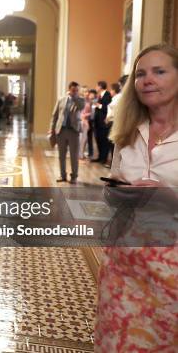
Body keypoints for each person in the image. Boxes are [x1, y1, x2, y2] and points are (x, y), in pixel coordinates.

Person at [95, 44, 178, 352]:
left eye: (159, 71)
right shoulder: (129, 132)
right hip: (124, 262)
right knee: (119, 342)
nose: (147, 80)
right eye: (140, 74)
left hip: (172, 268)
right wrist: (115, 192)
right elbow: (113, 184)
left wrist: (168, 199)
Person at [49, 81, 85, 183]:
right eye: (73, 90)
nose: (75, 92)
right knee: (61, 155)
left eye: (77, 90)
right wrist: (52, 129)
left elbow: (81, 107)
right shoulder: (61, 99)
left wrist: (75, 97)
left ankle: (74, 177)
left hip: (74, 131)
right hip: (61, 130)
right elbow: (55, 115)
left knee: (74, 156)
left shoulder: (80, 100)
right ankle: (62, 175)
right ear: (69, 89)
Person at [92, 80, 112, 163]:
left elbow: (108, 108)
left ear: (100, 86)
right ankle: (100, 157)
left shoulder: (108, 95)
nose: (96, 88)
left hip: (104, 122)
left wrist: (98, 105)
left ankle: (104, 158)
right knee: (98, 139)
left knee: (104, 140)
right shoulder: (99, 95)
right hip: (97, 122)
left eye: (97, 86)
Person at [79, 87, 92, 159]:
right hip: (80, 121)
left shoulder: (89, 101)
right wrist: (82, 118)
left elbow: (90, 112)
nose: (87, 93)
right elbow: (78, 112)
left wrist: (86, 116)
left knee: (85, 139)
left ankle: (81, 154)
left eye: (88, 91)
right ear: (82, 92)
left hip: (86, 121)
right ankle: (78, 155)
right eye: (85, 92)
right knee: (80, 139)